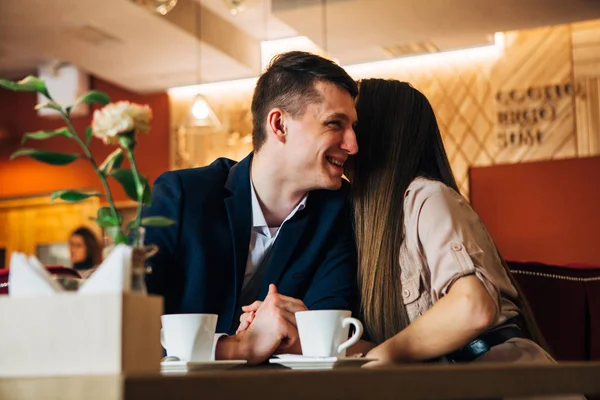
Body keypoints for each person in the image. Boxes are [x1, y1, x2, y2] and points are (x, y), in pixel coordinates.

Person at [143, 51, 359, 365]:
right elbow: (126, 325)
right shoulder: (181, 197)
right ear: (279, 124)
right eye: (335, 124)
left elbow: (326, 330)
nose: (353, 144)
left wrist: (292, 331)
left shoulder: (338, 212)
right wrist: (237, 347)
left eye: (352, 127)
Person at [345, 78, 563, 367]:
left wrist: (389, 353)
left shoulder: (426, 196)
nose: (345, 140)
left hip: (503, 377)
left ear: (379, 134)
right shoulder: (371, 225)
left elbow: (473, 307)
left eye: (352, 125)